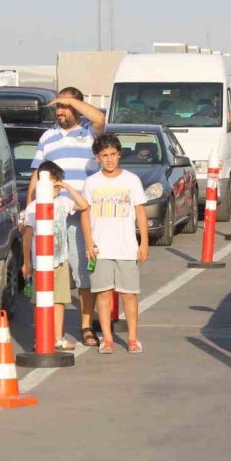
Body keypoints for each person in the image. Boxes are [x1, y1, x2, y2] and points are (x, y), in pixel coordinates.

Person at [29, 86, 106, 348]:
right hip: (51, 217)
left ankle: (86, 325)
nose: (60, 111)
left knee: (83, 271)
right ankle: (51, 330)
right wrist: (29, 208)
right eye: (57, 107)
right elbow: (37, 174)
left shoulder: (89, 133)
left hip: (81, 213)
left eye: (65, 106)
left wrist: (66, 99)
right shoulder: (47, 137)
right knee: (53, 272)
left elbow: (99, 119)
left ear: (77, 107)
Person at [83, 133, 149, 354]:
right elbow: (85, 213)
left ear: (119, 154)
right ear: (97, 158)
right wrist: (88, 241)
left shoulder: (131, 180)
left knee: (129, 293)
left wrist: (144, 241)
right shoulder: (91, 183)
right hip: (101, 248)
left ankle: (133, 338)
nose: (109, 159)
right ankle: (107, 339)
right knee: (103, 293)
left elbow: (140, 210)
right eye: (104, 155)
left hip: (126, 247)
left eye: (113, 154)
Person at [21, 161, 89, 351]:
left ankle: (58, 337)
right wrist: (26, 262)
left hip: (60, 261)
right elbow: (27, 237)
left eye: (59, 181)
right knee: (41, 302)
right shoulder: (33, 208)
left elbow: (84, 205)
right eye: (54, 182)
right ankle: (41, 337)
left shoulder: (63, 202)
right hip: (40, 265)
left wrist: (67, 187)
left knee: (59, 301)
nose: (57, 186)